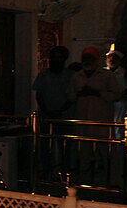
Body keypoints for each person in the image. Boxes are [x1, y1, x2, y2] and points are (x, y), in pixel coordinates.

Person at [69, 46, 120, 184]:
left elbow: (115, 95)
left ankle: (110, 183)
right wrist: (80, 93)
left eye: (90, 58)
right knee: (84, 155)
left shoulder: (107, 75)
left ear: (96, 60)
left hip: (101, 122)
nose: (87, 61)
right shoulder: (77, 76)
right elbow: (70, 96)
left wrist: (97, 93)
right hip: (83, 122)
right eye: (85, 58)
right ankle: (84, 184)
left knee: (106, 154)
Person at [32, 46, 73, 180]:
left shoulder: (70, 76)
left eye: (60, 57)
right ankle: (45, 173)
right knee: (45, 146)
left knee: (65, 147)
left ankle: (65, 174)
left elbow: (72, 97)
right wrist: (47, 111)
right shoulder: (43, 75)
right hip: (46, 117)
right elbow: (39, 94)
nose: (56, 60)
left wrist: (59, 111)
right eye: (54, 57)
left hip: (64, 118)